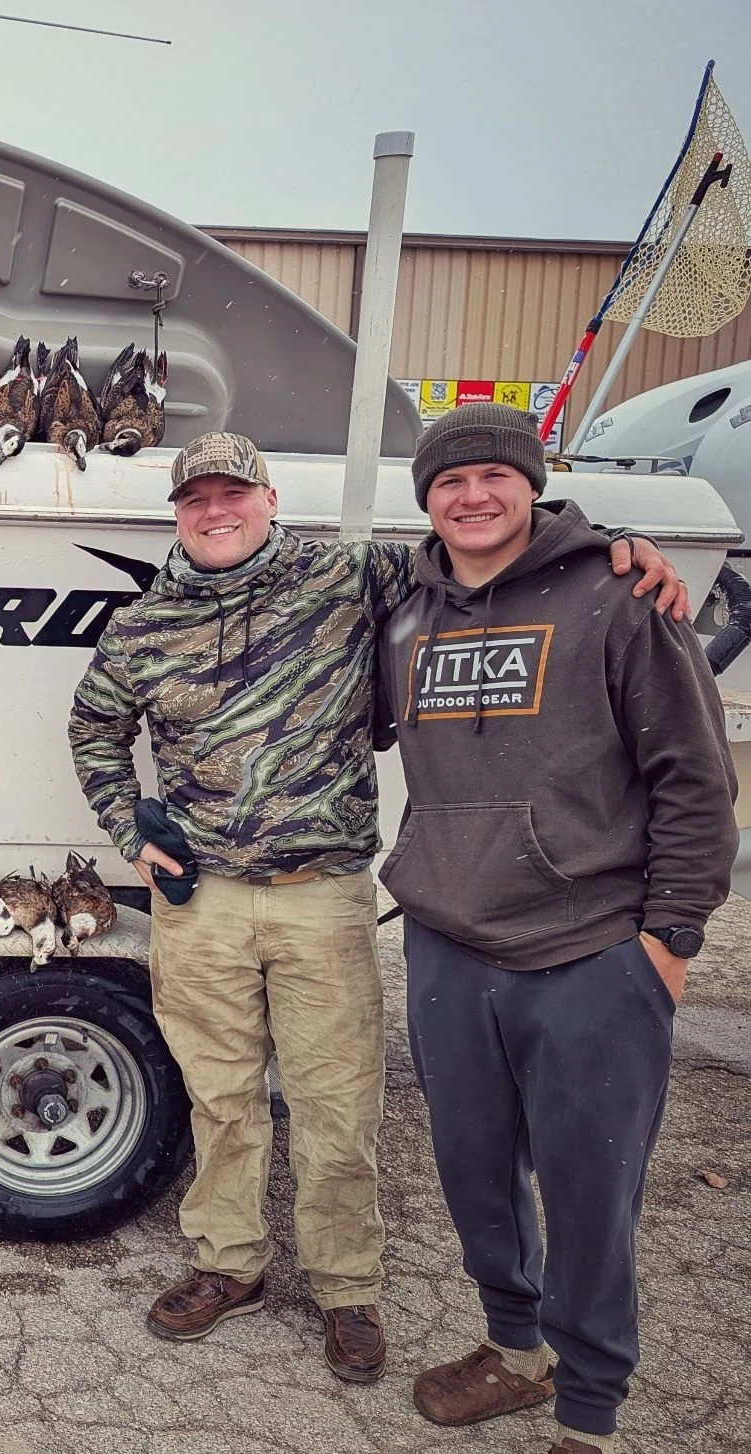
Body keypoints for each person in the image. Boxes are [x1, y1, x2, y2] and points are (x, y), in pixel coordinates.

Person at [67, 430, 687, 1385]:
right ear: (178, 516)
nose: (216, 512)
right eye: (196, 501)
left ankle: (344, 1287)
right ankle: (227, 1265)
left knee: (335, 1103)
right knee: (220, 1098)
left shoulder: (353, 575)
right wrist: (127, 831)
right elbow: (92, 727)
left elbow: (490, 552)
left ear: (270, 502)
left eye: (234, 495)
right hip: (203, 906)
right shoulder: (145, 626)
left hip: (322, 897)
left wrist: (617, 547)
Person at [378, 403, 736, 1454]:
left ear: (533, 484)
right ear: (426, 500)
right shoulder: (404, 613)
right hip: (447, 942)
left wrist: (666, 941)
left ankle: (587, 1414)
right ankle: (513, 1350)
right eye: (450, 481)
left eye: (495, 475)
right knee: (470, 1172)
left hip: (590, 951)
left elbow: (692, 777)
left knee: (588, 1197)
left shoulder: (618, 598)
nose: (473, 495)